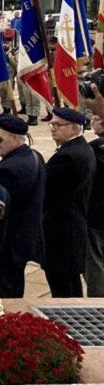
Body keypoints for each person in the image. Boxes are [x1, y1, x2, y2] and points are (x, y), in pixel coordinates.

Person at [0, 114, 46, 298]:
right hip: (23, 237)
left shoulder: (8, 169)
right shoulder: (34, 156)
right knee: (14, 284)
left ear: (14, 138)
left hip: (8, 241)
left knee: (5, 291)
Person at [43, 106, 96, 297]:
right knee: (70, 282)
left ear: (74, 128)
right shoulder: (79, 148)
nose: (53, 128)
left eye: (58, 125)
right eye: (52, 124)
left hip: (62, 230)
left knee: (62, 286)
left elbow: (45, 185)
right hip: (70, 227)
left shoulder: (69, 156)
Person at [87, 114, 104, 296]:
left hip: (96, 214)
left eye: (97, 118)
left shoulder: (93, 149)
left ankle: (98, 302)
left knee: (96, 264)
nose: (92, 121)